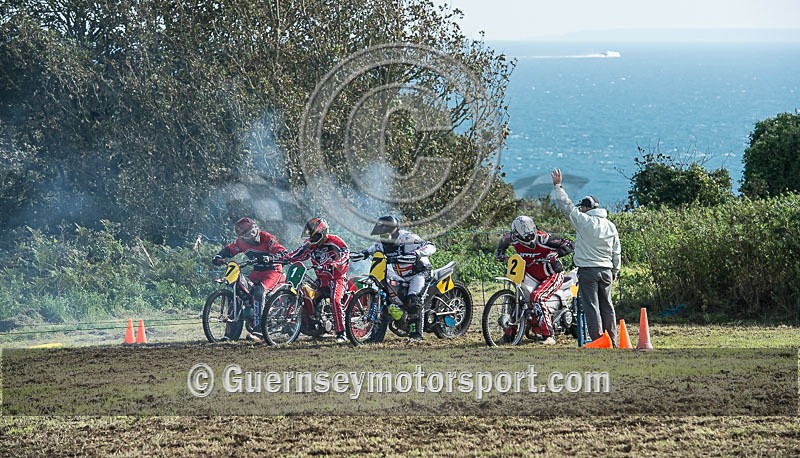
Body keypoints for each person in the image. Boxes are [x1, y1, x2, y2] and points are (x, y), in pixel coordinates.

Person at [551, 169, 621, 345]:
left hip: (588, 271)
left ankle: (598, 340)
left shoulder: (584, 221)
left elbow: (566, 206)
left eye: (581, 207)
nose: (580, 208)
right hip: (606, 270)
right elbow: (616, 250)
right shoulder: (610, 226)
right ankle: (612, 338)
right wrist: (615, 270)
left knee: (592, 307)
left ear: (585, 208)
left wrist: (558, 186)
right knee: (607, 306)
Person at [494, 216, 574, 345]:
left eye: (531, 235)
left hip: (552, 274)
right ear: (516, 235)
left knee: (537, 297)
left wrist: (556, 254)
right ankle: (509, 335)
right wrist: (500, 252)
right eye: (525, 238)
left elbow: (569, 244)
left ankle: (549, 335)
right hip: (529, 275)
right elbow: (504, 240)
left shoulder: (543, 238)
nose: (529, 239)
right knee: (516, 299)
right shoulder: (512, 238)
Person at [359, 215, 436, 342]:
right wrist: (362, 254)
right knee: (386, 298)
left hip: (419, 272)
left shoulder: (407, 238)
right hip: (400, 275)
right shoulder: (382, 244)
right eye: (381, 233)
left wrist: (416, 253)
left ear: (394, 230)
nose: (383, 236)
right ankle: (375, 336)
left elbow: (430, 246)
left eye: (386, 232)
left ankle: (415, 335)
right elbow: (372, 249)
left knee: (413, 299)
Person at [212, 217, 287, 339]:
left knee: (259, 292)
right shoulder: (241, 243)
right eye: (248, 234)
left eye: (253, 230)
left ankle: (259, 330)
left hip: (273, 271)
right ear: (243, 237)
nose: (253, 235)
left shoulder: (267, 237)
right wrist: (218, 256)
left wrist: (271, 257)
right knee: (237, 292)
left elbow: (282, 252)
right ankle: (230, 334)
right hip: (257, 272)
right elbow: (229, 249)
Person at [282, 217, 350, 344]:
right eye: (311, 237)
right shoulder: (310, 244)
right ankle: (312, 324)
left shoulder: (335, 241)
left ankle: (341, 332)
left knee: (335, 300)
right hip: (321, 279)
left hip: (337, 278)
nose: (313, 240)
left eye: (316, 236)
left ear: (324, 232)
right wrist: (284, 258)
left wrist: (335, 263)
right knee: (306, 294)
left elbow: (345, 254)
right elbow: (298, 253)